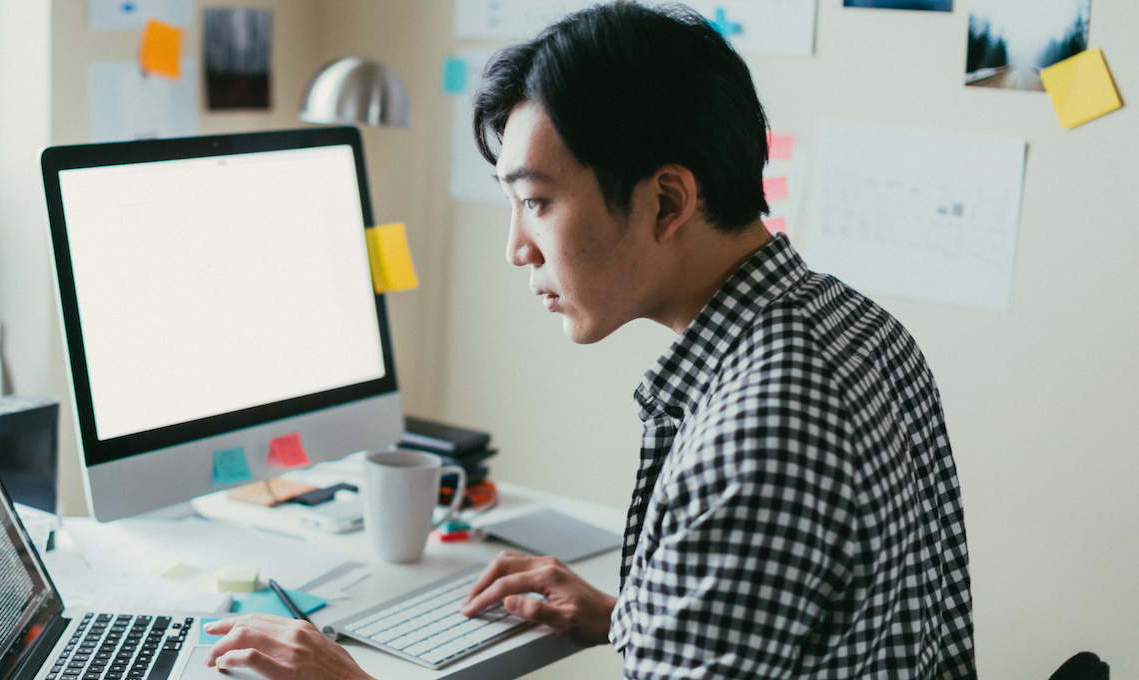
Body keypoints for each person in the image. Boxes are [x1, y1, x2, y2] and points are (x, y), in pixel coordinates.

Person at [200, 3, 976, 678]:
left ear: (668, 198)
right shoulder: (858, 327)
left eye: (535, 201)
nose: (517, 248)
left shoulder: (756, 427)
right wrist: (631, 617)